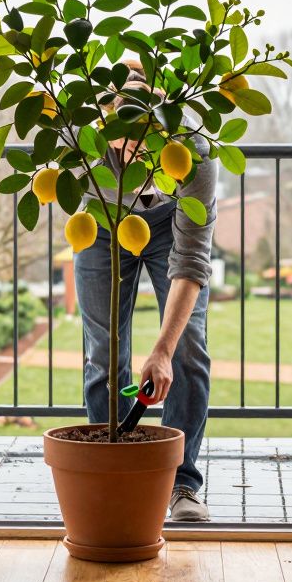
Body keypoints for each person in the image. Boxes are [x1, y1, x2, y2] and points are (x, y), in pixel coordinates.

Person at [75, 62, 217, 522]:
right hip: (101, 222)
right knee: (103, 353)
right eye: (124, 141)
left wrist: (163, 348)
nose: (133, 153)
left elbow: (192, 260)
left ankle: (182, 484)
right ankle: (108, 475)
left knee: (188, 348)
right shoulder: (84, 139)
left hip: (168, 225)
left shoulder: (193, 150)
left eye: (144, 143)